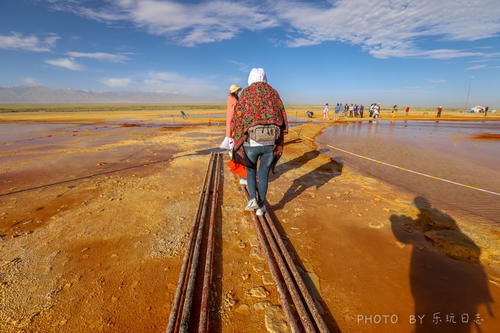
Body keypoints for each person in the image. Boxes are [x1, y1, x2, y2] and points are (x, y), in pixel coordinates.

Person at [231, 68, 288, 216]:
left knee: (251, 171)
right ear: (265, 77)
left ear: (251, 78)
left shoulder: (247, 93)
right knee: (263, 175)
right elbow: (282, 113)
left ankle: (252, 199)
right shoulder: (273, 92)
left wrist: (236, 136)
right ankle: (262, 207)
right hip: (269, 142)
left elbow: (238, 117)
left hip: (251, 142)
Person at [220, 84, 246, 184]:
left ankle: (242, 174)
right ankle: (243, 176)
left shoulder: (234, 97)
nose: (238, 92)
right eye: (237, 90)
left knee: (237, 147)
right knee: (240, 149)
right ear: (234, 91)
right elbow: (233, 112)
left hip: (234, 124)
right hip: (235, 125)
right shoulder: (232, 98)